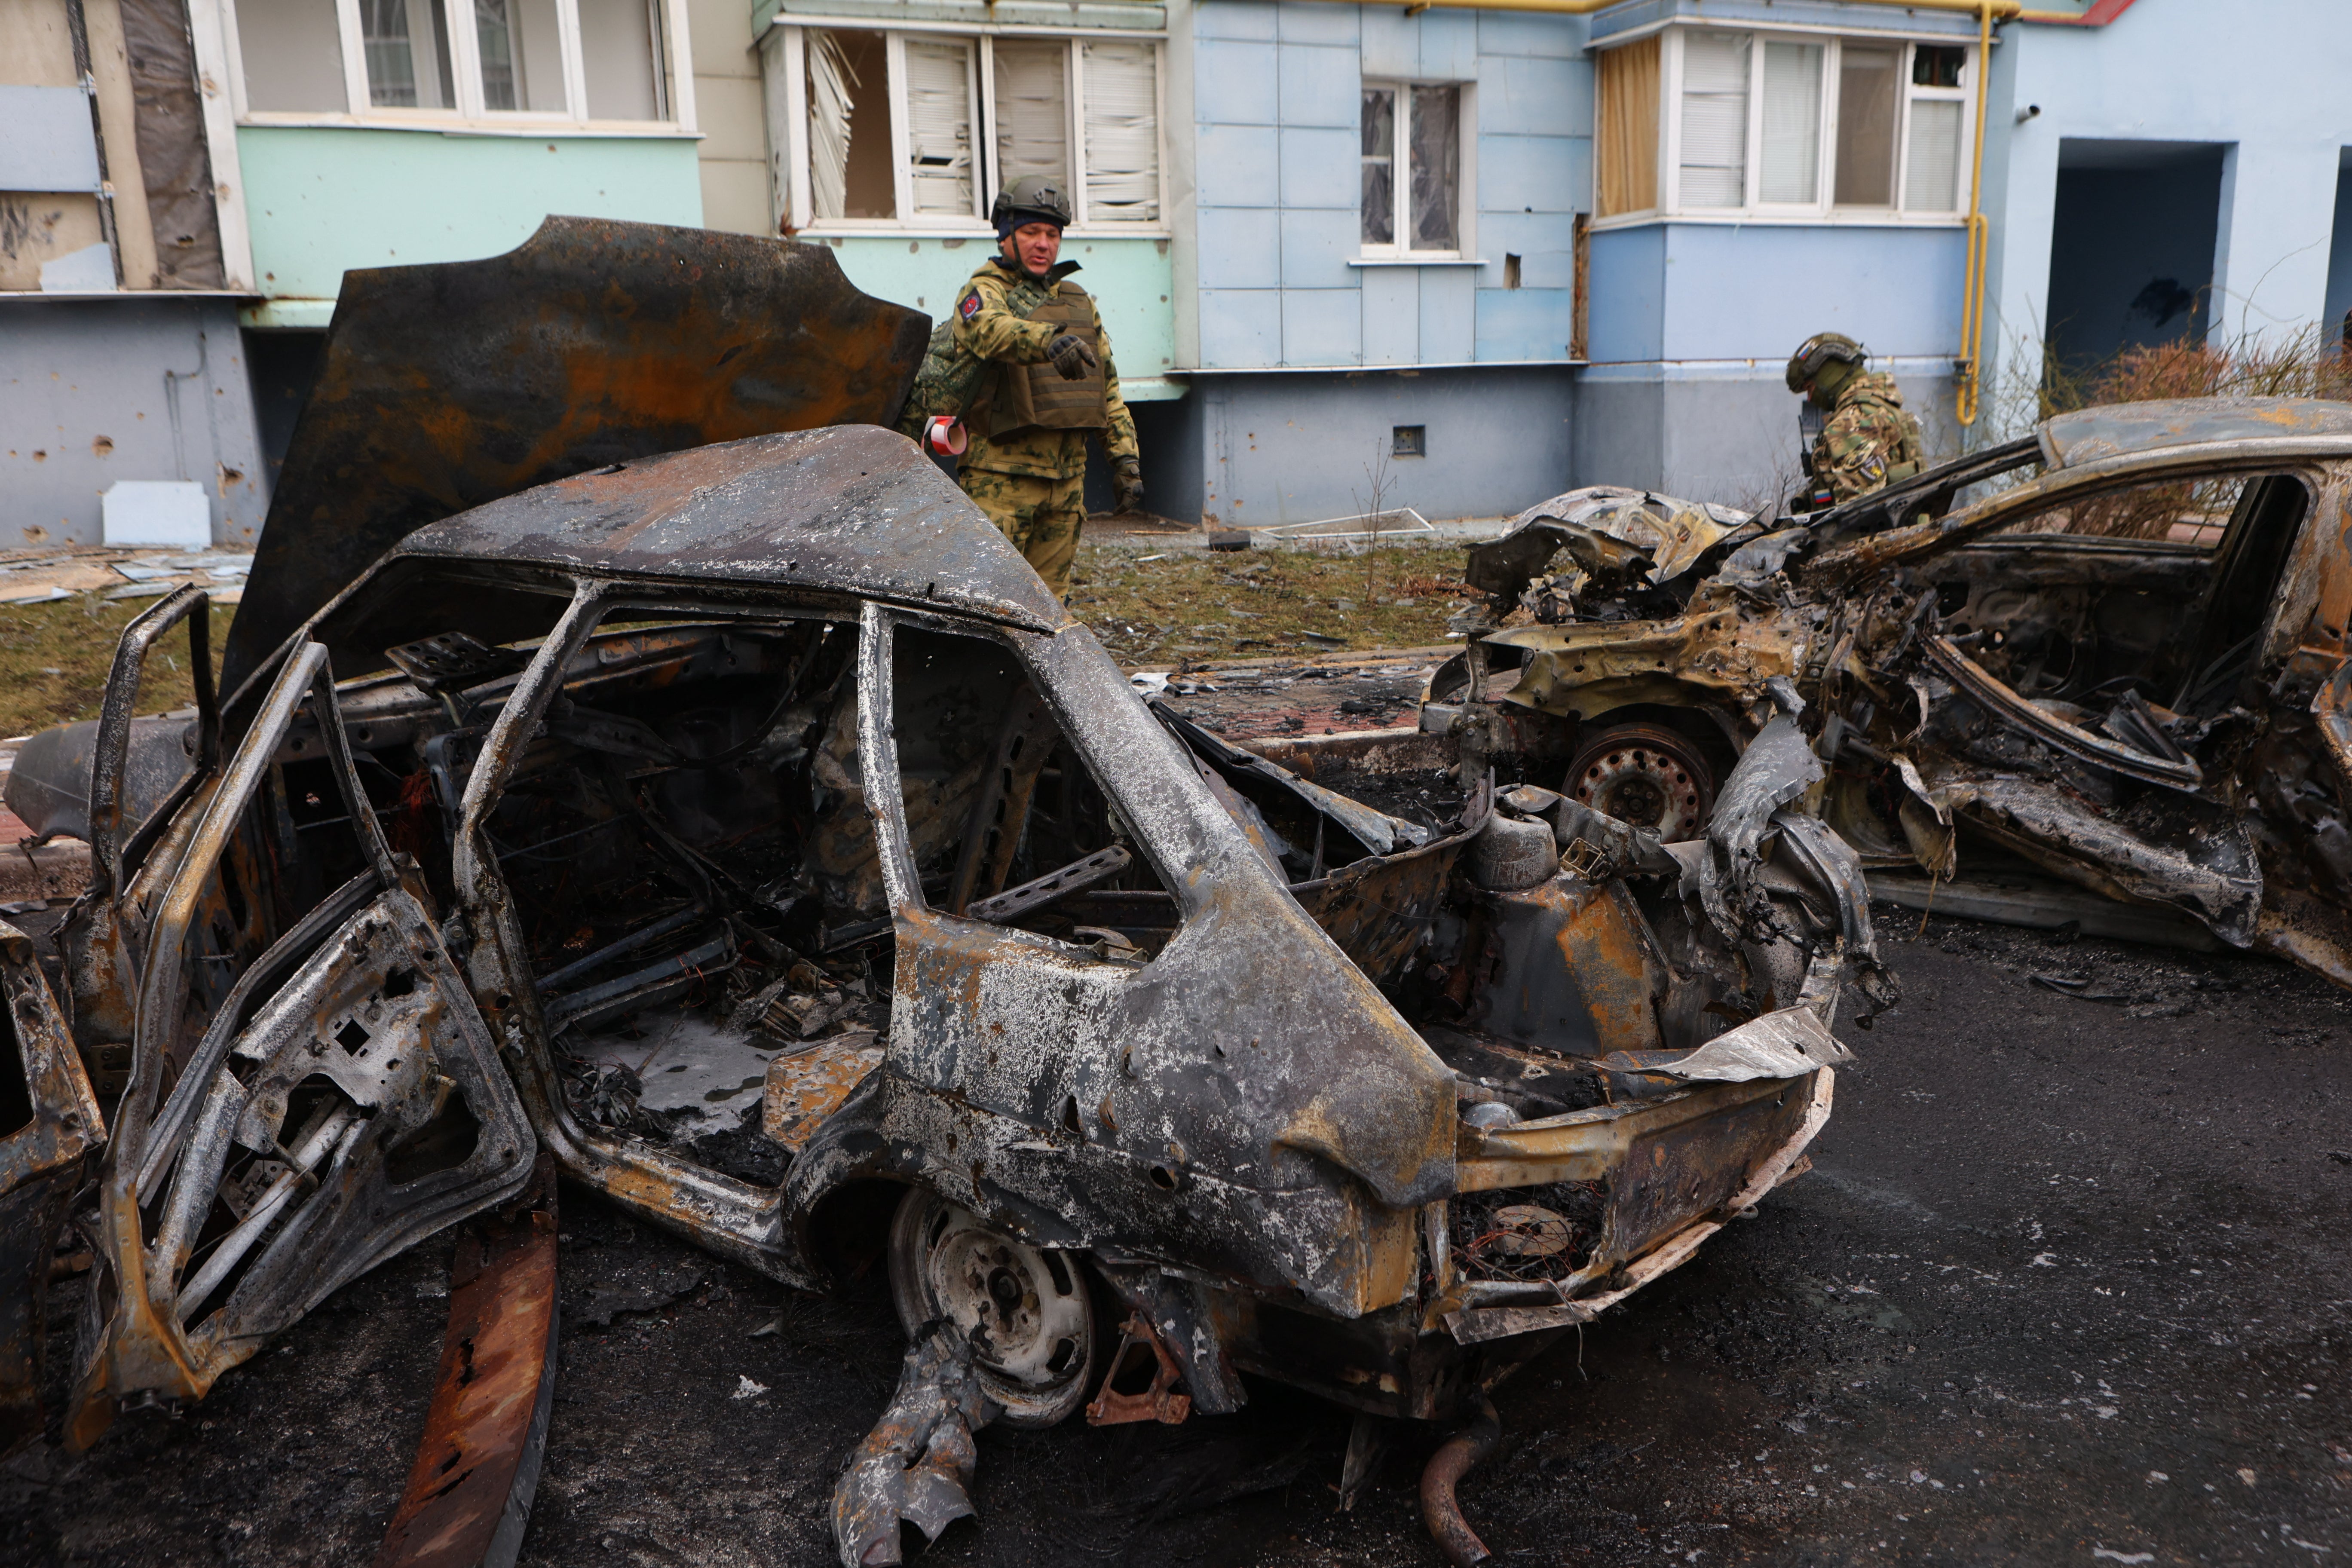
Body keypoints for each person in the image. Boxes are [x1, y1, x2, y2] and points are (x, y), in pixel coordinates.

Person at [942, 175, 1143, 599]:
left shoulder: (1078, 302)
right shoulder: (983, 292)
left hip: (1067, 484)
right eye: (1031, 232)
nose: (1043, 244)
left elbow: (1106, 385)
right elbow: (991, 331)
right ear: (1005, 236)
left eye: (1052, 234)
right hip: (1001, 484)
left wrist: (1125, 460)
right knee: (988, 601)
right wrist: (1047, 341)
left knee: (1051, 605)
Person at [1785, 332, 1923, 510]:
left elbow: (1857, 511)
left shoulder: (1853, 421)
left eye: (1810, 388)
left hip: (1872, 538)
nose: (1810, 399)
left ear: (1831, 375)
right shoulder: (1879, 406)